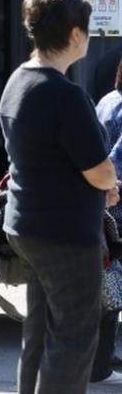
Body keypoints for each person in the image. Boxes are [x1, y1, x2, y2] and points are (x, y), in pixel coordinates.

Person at [0, 0, 119, 392]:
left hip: (25, 225)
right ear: (74, 34)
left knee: (39, 333)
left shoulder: (19, 81)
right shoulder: (65, 95)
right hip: (65, 234)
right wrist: (110, 183)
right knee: (73, 337)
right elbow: (98, 169)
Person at [94, 59, 122, 384]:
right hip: (116, 203)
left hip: (105, 209)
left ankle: (100, 361)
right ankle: (100, 364)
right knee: (110, 286)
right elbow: (115, 159)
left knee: (107, 284)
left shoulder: (107, 100)